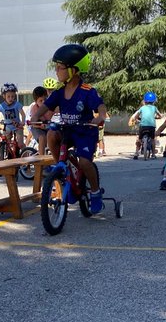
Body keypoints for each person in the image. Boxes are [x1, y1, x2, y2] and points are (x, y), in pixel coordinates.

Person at [43, 43, 108, 211]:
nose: (56, 71)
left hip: (85, 132)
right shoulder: (59, 92)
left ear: (73, 69)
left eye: (60, 67)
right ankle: (62, 172)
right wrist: (33, 119)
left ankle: (95, 192)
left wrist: (100, 117)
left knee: (85, 163)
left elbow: (100, 107)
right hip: (68, 131)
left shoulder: (87, 91)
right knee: (51, 134)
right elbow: (46, 107)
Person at [0, 82, 26, 150]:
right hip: (7, 126)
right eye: (8, 96)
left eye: (13, 96)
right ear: (4, 96)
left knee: (20, 144)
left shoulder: (17, 104)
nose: (11, 98)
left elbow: (23, 114)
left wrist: (23, 122)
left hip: (17, 125)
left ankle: (25, 154)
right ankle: (5, 155)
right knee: (6, 142)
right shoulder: (2, 106)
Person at [128, 91, 159, 158]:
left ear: (145, 101)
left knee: (139, 138)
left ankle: (136, 153)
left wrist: (136, 119)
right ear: (154, 101)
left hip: (143, 126)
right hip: (151, 126)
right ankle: (153, 154)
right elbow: (160, 115)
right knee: (153, 139)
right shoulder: (154, 108)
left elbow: (136, 115)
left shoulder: (142, 108)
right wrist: (158, 117)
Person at [27, 83, 54, 155]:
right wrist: (40, 126)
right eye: (41, 101)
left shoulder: (50, 106)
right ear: (36, 101)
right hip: (37, 128)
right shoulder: (34, 109)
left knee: (55, 135)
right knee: (42, 138)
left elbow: (57, 112)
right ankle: (41, 159)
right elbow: (33, 123)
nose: (44, 102)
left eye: (45, 99)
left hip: (48, 127)